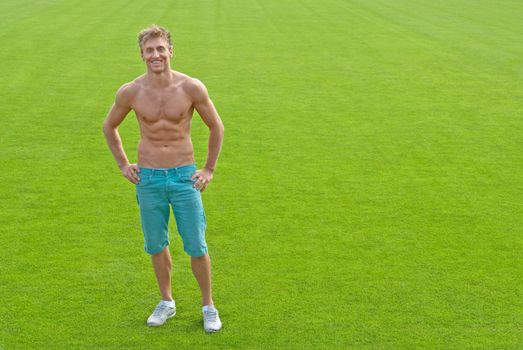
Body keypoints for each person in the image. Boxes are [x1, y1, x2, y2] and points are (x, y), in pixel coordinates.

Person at [102, 25, 224, 333]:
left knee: (196, 244)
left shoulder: (190, 87)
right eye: (149, 50)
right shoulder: (131, 92)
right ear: (142, 55)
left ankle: (208, 305)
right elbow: (109, 127)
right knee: (155, 244)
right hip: (149, 179)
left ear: (170, 50)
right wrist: (123, 164)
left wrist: (208, 169)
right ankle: (166, 302)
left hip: (184, 177)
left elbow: (216, 127)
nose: (155, 55)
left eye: (160, 48)